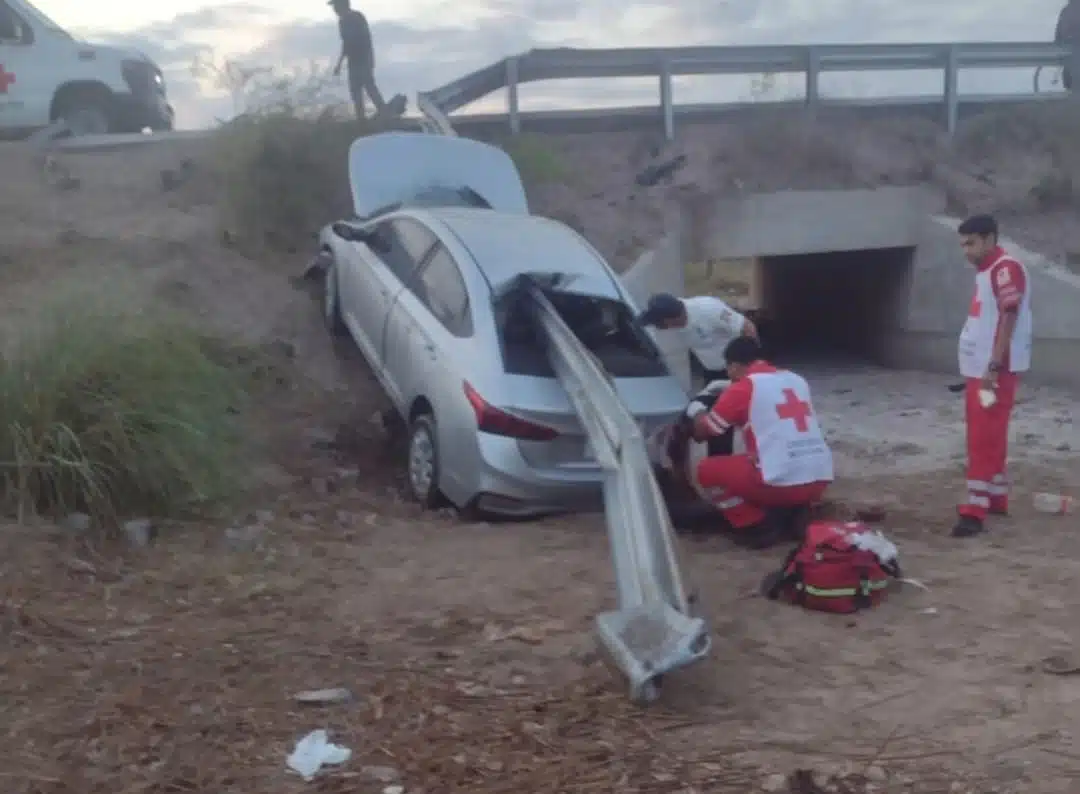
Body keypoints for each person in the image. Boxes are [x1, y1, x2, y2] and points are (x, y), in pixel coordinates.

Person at [686, 336, 834, 549]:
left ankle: (755, 526)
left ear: (734, 365)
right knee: (760, 457)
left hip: (780, 484)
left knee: (707, 470)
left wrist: (698, 407)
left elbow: (704, 432)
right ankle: (798, 512)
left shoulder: (743, 388)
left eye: (728, 368)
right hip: (819, 478)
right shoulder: (796, 380)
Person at [953, 214, 1033, 538]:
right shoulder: (990, 271)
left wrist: (994, 366)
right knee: (991, 434)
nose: (966, 251)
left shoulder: (1003, 268)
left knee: (983, 437)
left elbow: (1008, 314)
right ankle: (996, 496)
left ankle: (974, 509)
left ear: (988, 239)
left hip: (992, 371)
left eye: (970, 243)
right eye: (962, 244)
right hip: (984, 369)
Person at [637, 292, 759, 382]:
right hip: (710, 371)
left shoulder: (709, 309)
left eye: (658, 322)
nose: (657, 326)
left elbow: (748, 328)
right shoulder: (672, 318)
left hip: (737, 370)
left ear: (672, 319)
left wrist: (749, 367)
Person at [329, 0, 387, 119]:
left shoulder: (357, 17)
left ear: (342, 6)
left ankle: (385, 114)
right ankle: (361, 121)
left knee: (369, 87)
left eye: (335, 6)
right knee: (355, 93)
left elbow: (365, 39)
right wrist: (339, 64)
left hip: (364, 59)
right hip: (353, 61)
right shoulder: (342, 22)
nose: (334, 10)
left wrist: (367, 60)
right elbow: (345, 43)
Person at [1055, 0, 1080, 91]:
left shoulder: (1066, 11)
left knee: (1070, 90)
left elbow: (1058, 35)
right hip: (1072, 55)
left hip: (1069, 57)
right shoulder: (1067, 11)